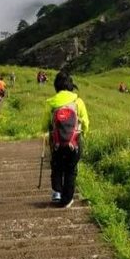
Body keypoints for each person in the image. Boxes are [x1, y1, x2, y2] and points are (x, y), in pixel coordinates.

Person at [42, 71, 89, 207]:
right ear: (70, 86)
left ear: (56, 86)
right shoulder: (78, 101)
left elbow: (44, 124)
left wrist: (45, 132)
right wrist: (84, 133)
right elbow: (85, 122)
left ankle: (57, 192)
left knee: (57, 166)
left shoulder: (51, 103)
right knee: (71, 169)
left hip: (56, 143)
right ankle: (67, 199)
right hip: (74, 142)